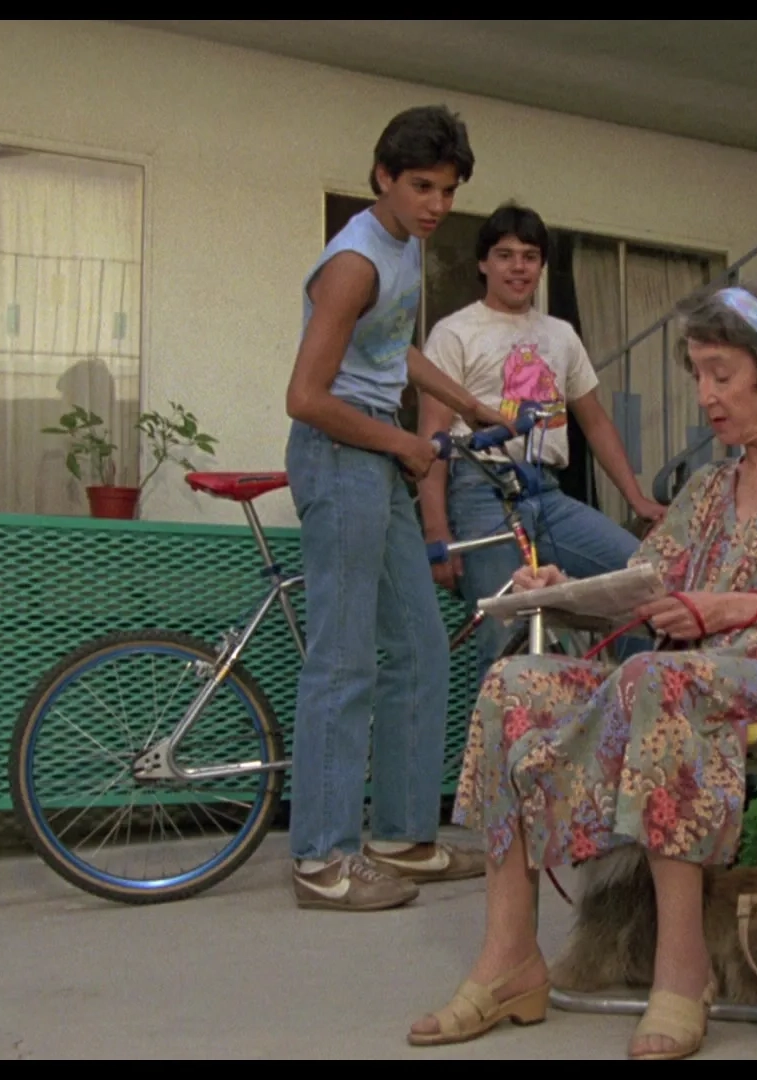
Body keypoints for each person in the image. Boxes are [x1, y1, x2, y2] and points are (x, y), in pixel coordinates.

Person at [407, 276, 757, 1058]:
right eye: (697, 373)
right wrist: (562, 588)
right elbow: (645, 585)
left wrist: (725, 610)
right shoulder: (709, 486)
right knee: (513, 686)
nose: (704, 394)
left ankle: (681, 971)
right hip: (696, 671)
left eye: (721, 375)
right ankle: (510, 959)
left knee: (660, 681)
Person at [282, 105, 513, 913]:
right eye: (422, 186)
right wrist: (406, 447)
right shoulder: (352, 263)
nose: (436, 205)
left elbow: (392, 350)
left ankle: (403, 837)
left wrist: (470, 405)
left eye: (448, 190)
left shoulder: (407, 246)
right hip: (342, 458)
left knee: (421, 647)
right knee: (342, 663)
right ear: (383, 177)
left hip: (375, 458)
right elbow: (305, 397)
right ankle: (322, 860)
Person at [416, 202, 666, 676]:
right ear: (482, 263)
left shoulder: (561, 335)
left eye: (529, 256)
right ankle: (505, 749)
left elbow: (594, 421)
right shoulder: (455, 332)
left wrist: (636, 497)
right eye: (505, 255)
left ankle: (632, 712)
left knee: (639, 580)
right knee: (505, 634)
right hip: (480, 489)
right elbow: (434, 433)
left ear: (541, 265)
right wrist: (437, 531)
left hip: (545, 491)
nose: (518, 267)